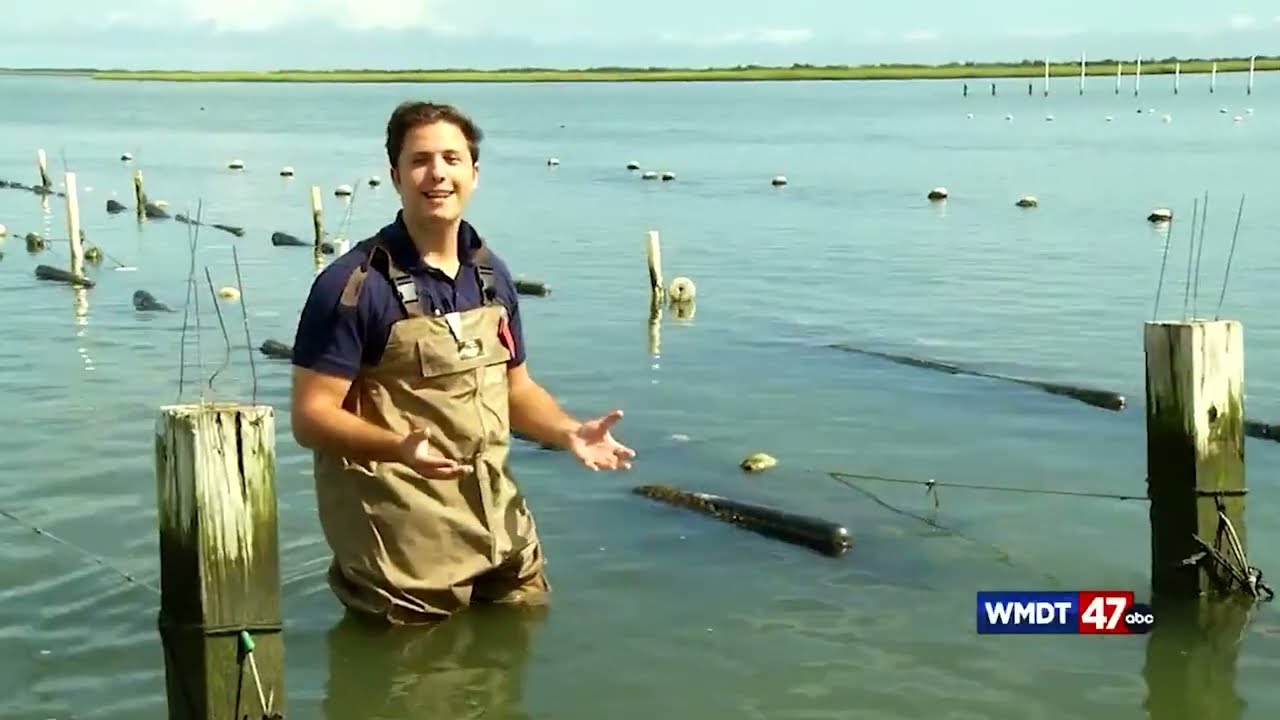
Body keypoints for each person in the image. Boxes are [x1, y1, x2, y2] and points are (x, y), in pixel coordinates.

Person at [290, 100, 636, 625]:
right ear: (395, 176)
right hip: (405, 550)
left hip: (503, 532)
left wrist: (568, 432)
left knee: (516, 665)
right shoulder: (354, 285)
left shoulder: (491, 274)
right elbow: (311, 416)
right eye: (420, 160)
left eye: (452, 158)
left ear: (474, 172)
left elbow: (516, 390)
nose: (438, 174)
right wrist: (399, 446)